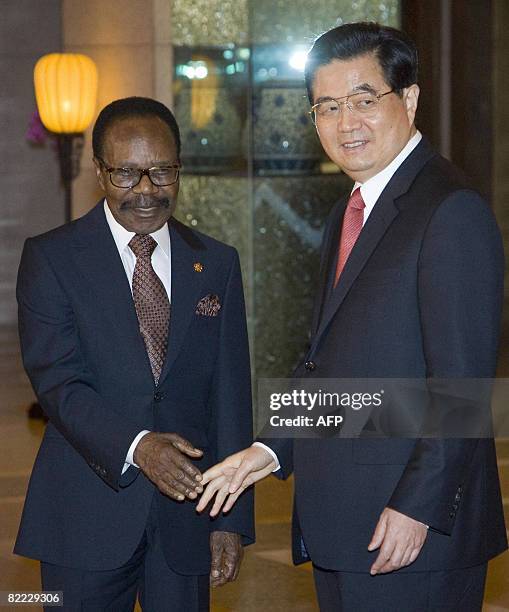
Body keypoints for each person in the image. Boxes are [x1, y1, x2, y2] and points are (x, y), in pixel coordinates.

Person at [197, 22, 508, 611]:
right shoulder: (351, 208)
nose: (347, 123)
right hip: (345, 523)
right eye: (328, 107)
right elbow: (331, 364)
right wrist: (268, 450)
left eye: (365, 100)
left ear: (408, 99)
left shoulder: (449, 210)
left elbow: (463, 389)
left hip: (411, 536)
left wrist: (416, 507)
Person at [15, 96, 254, 611]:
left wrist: (230, 519)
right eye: (126, 173)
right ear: (99, 171)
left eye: (161, 172)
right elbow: (58, 383)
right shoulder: (51, 258)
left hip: (189, 518)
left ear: (179, 168)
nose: (145, 190)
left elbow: (231, 396)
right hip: (83, 516)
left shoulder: (215, 263)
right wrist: (139, 446)